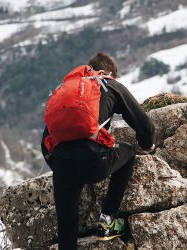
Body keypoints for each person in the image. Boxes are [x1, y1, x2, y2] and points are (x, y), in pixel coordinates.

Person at [41, 52, 155, 249]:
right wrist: (148, 145)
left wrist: (62, 165)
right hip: (94, 162)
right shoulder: (110, 84)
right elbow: (145, 126)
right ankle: (107, 220)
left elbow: (45, 142)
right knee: (127, 153)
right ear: (109, 72)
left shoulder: (67, 92)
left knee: (67, 227)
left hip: (61, 164)